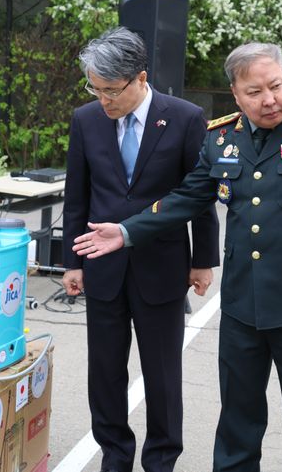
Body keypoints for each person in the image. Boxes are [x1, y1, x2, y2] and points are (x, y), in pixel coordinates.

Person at [72, 42, 282, 472]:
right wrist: (126, 231)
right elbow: (187, 198)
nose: (269, 100)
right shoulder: (222, 136)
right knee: (237, 423)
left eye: (276, 86)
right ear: (235, 94)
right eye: (254, 92)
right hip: (242, 304)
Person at [60, 27, 219, 472]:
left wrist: (202, 259)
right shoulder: (86, 119)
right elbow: (78, 196)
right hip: (102, 265)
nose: (103, 100)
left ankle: (162, 458)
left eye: (111, 91)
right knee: (105, 372)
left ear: (140, 79)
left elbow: (198, 193)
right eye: (95, 89)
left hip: (162, 265)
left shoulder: (185, 118)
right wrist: (72, 262)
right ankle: (115, 455)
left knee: (162, 373)